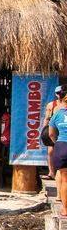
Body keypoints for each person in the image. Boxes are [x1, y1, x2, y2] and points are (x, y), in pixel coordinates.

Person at [46, 78, 67, 218]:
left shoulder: (57, 113)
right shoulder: (52, 106)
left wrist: (56, 142)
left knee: (65, 178)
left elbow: (51, 133)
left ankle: (65, 209)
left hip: (62, 145)